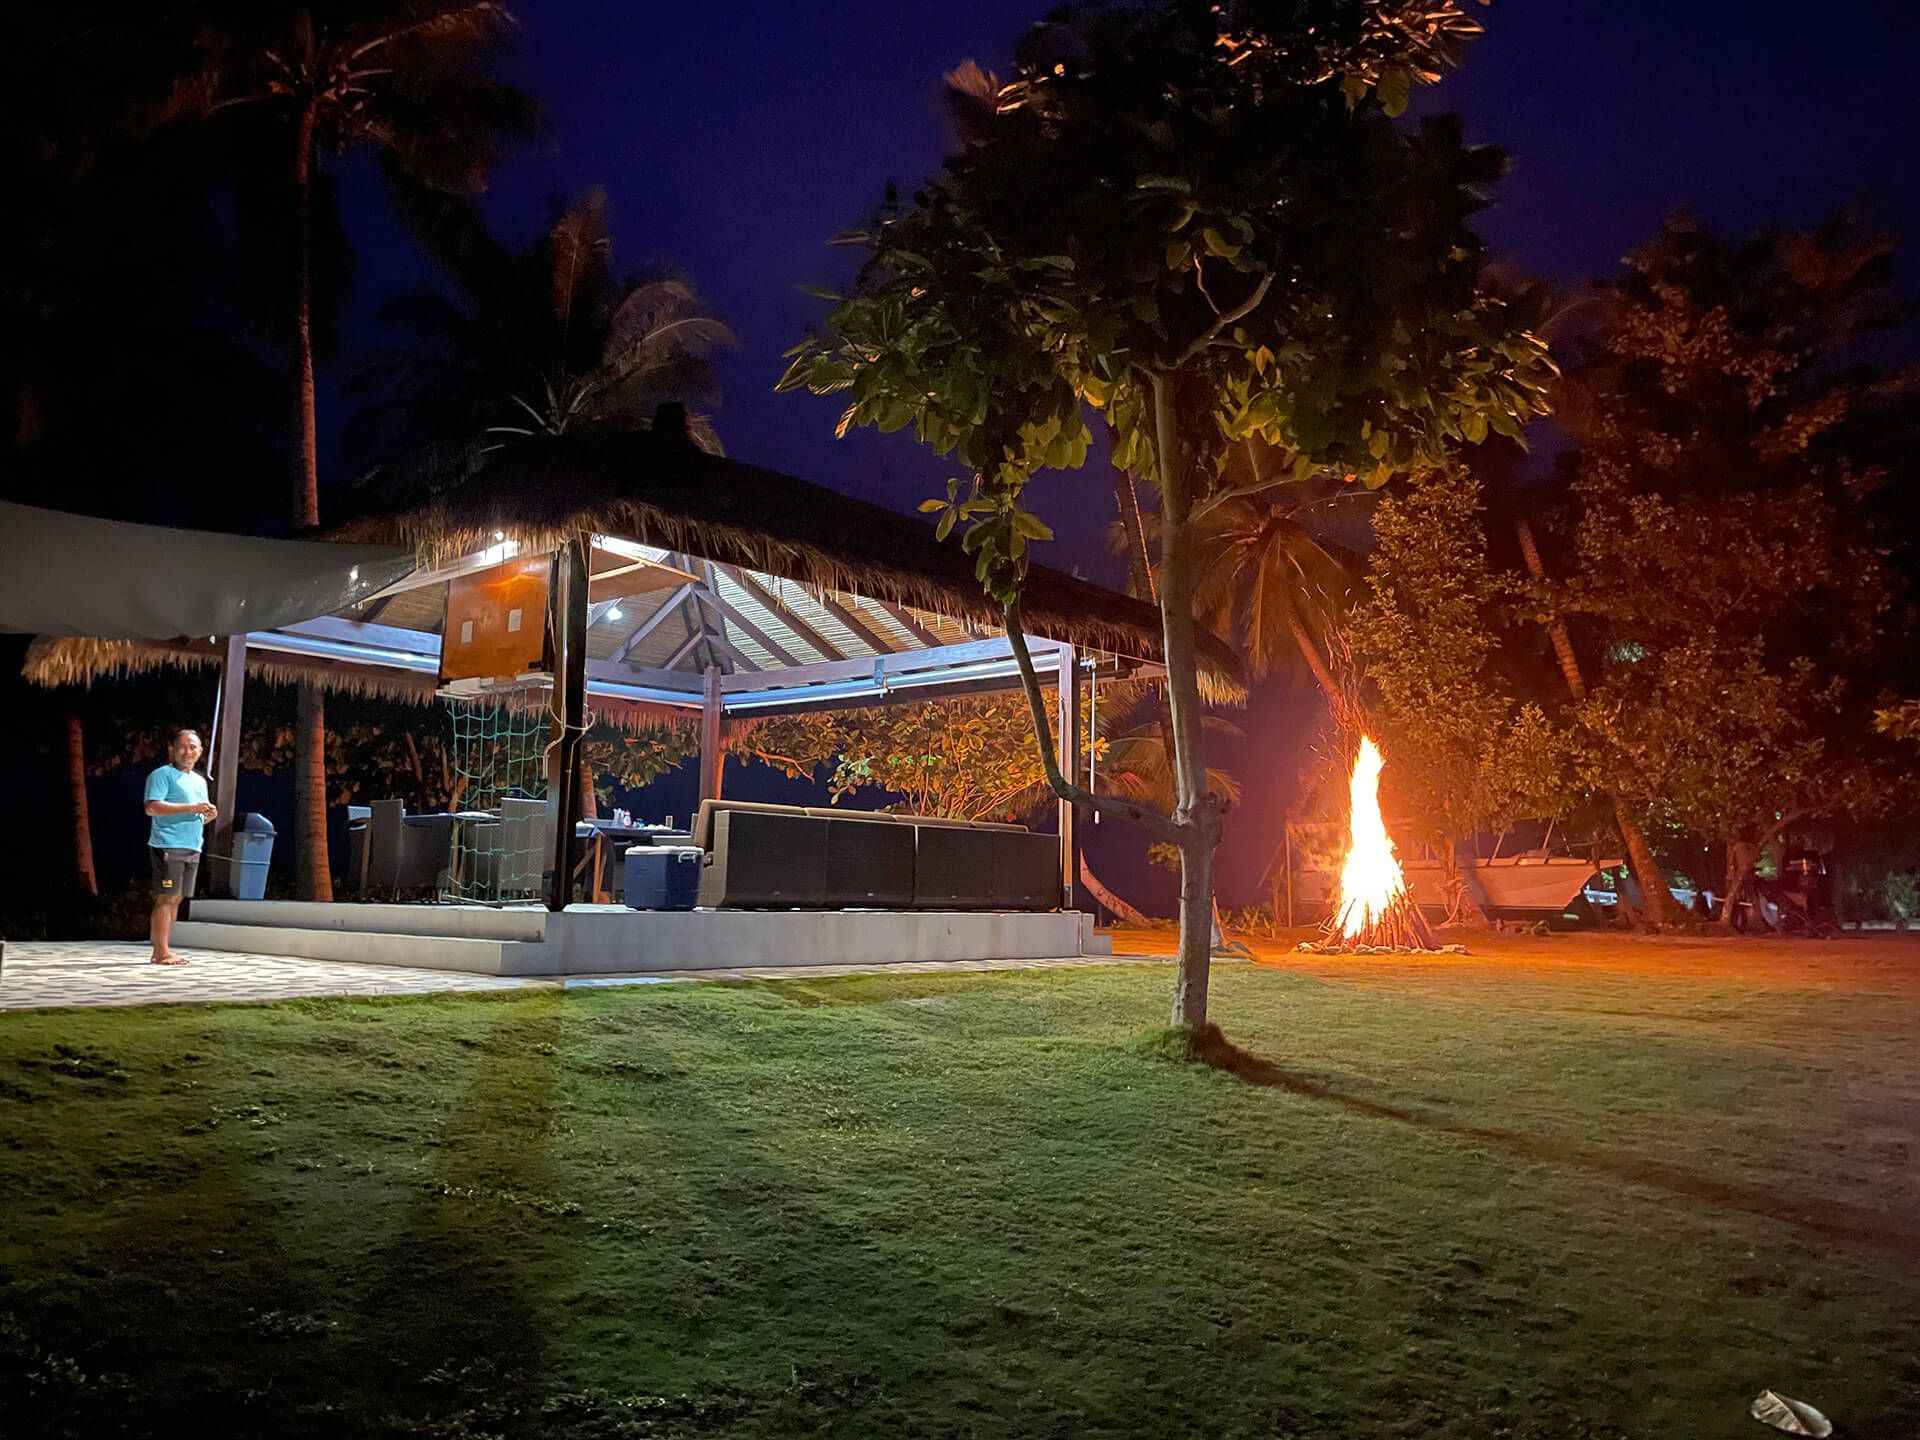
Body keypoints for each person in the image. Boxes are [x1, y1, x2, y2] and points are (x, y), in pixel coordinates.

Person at [144, 727, 216, 965]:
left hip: (192, 847)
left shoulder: (199, 781)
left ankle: (165, 949)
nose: (188, 751)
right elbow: (152, 807)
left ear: (200, 751)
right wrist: (191, 808)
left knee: (177, 898)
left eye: (193, 747)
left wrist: (208, 815)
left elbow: (196, 814)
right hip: (168, 845)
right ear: (172, 750)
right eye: (182, 747)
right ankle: (160, 952)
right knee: (166, 897)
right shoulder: (161, 775)